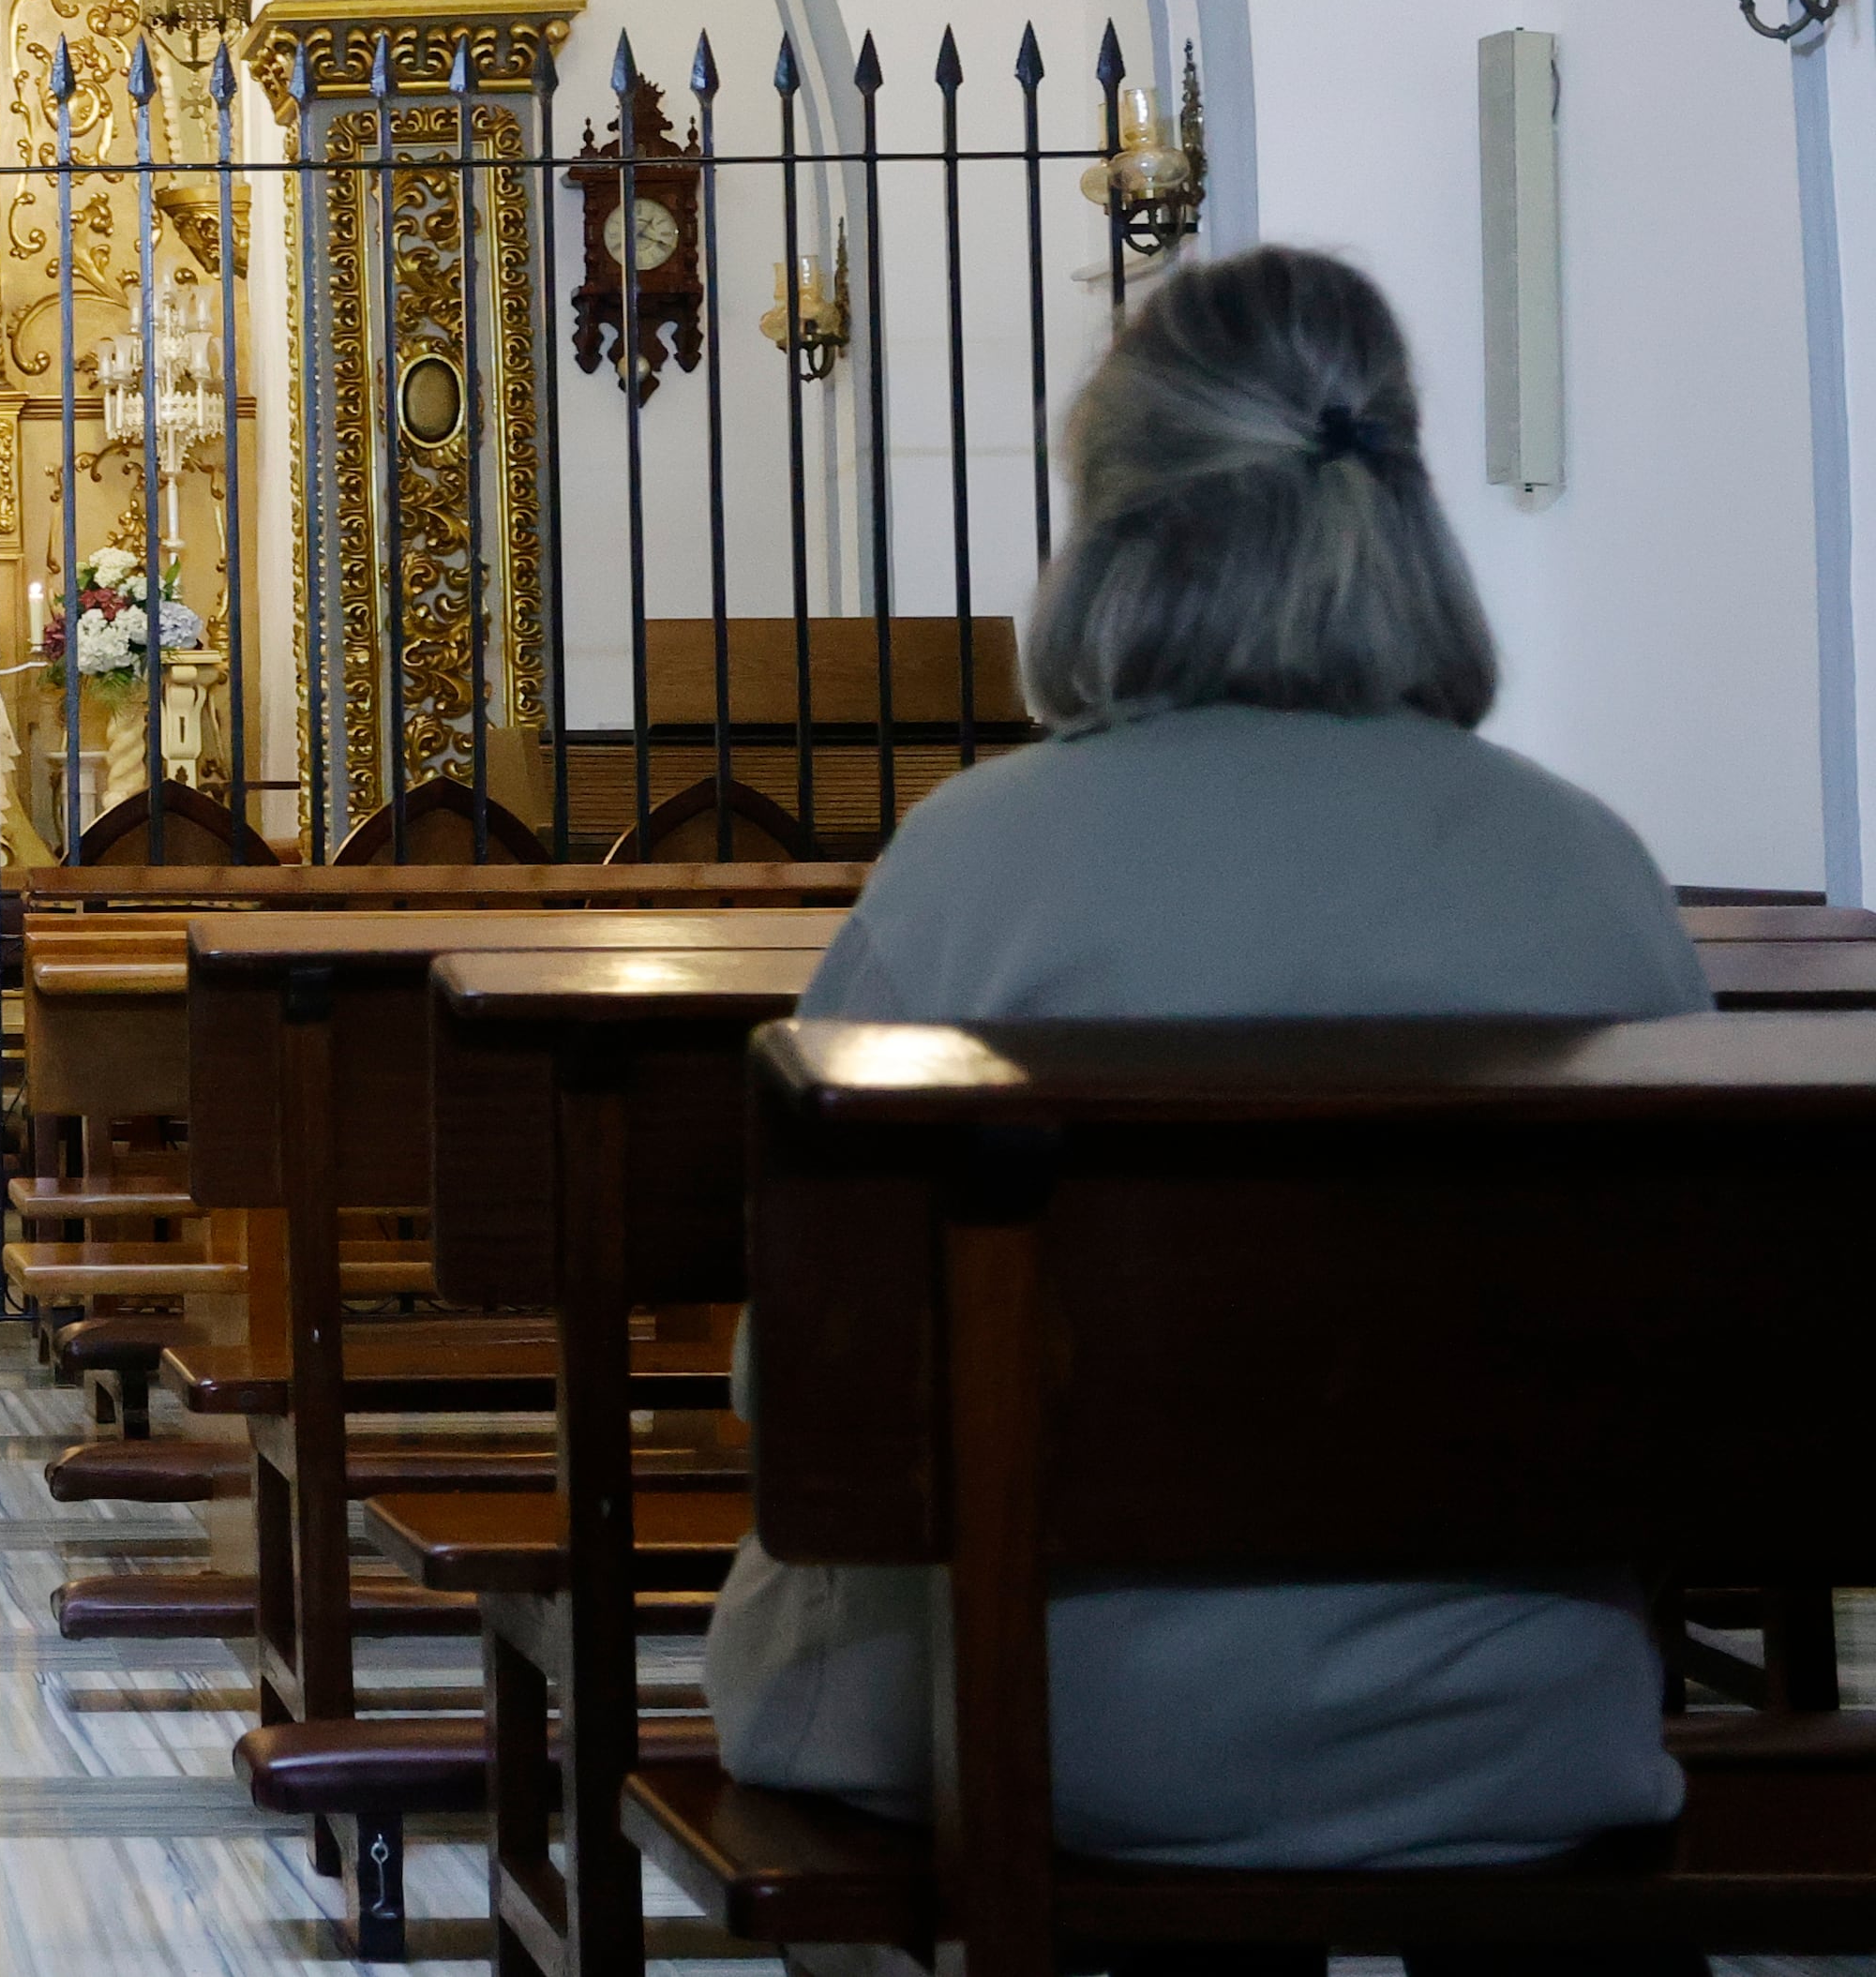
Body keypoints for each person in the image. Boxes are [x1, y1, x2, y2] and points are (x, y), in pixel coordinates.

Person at [707, 246, 1708, 1929]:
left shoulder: (977, 862)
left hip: (1043, 1719)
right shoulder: (1590, 867)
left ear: (1109, 519)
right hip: (1514, 1731)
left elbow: (801, 1391)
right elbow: (1703, 1370)